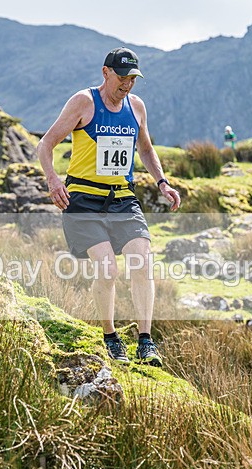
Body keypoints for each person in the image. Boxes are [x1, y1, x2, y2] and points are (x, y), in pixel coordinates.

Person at [36, 47, 181, 367]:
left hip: (122, 198)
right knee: (108, 269)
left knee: (142, 261)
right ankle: (110, 337)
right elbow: (45, 144)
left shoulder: (136, 107)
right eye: (122, 77)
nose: (127, 84)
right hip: (83, 200)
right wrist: (53, 180)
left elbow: (146, 149)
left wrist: (162, 182)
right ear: (106, 73)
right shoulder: (84, 102)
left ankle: (146, 341)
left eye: (133, 79)